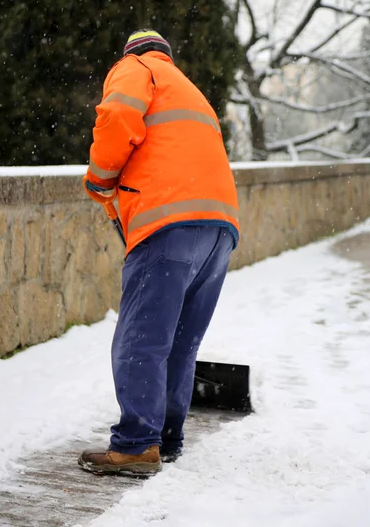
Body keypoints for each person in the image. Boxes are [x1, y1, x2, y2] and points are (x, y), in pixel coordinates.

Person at [79, 29, 239, 476]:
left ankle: (135, 444)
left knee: (141, 341)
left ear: (132, 51)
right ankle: (165, 438)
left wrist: (100, 177)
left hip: (168, 221)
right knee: (180, 342)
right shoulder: (191, 91)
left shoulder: (136, 69)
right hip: (220, 227)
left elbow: (117, 117)